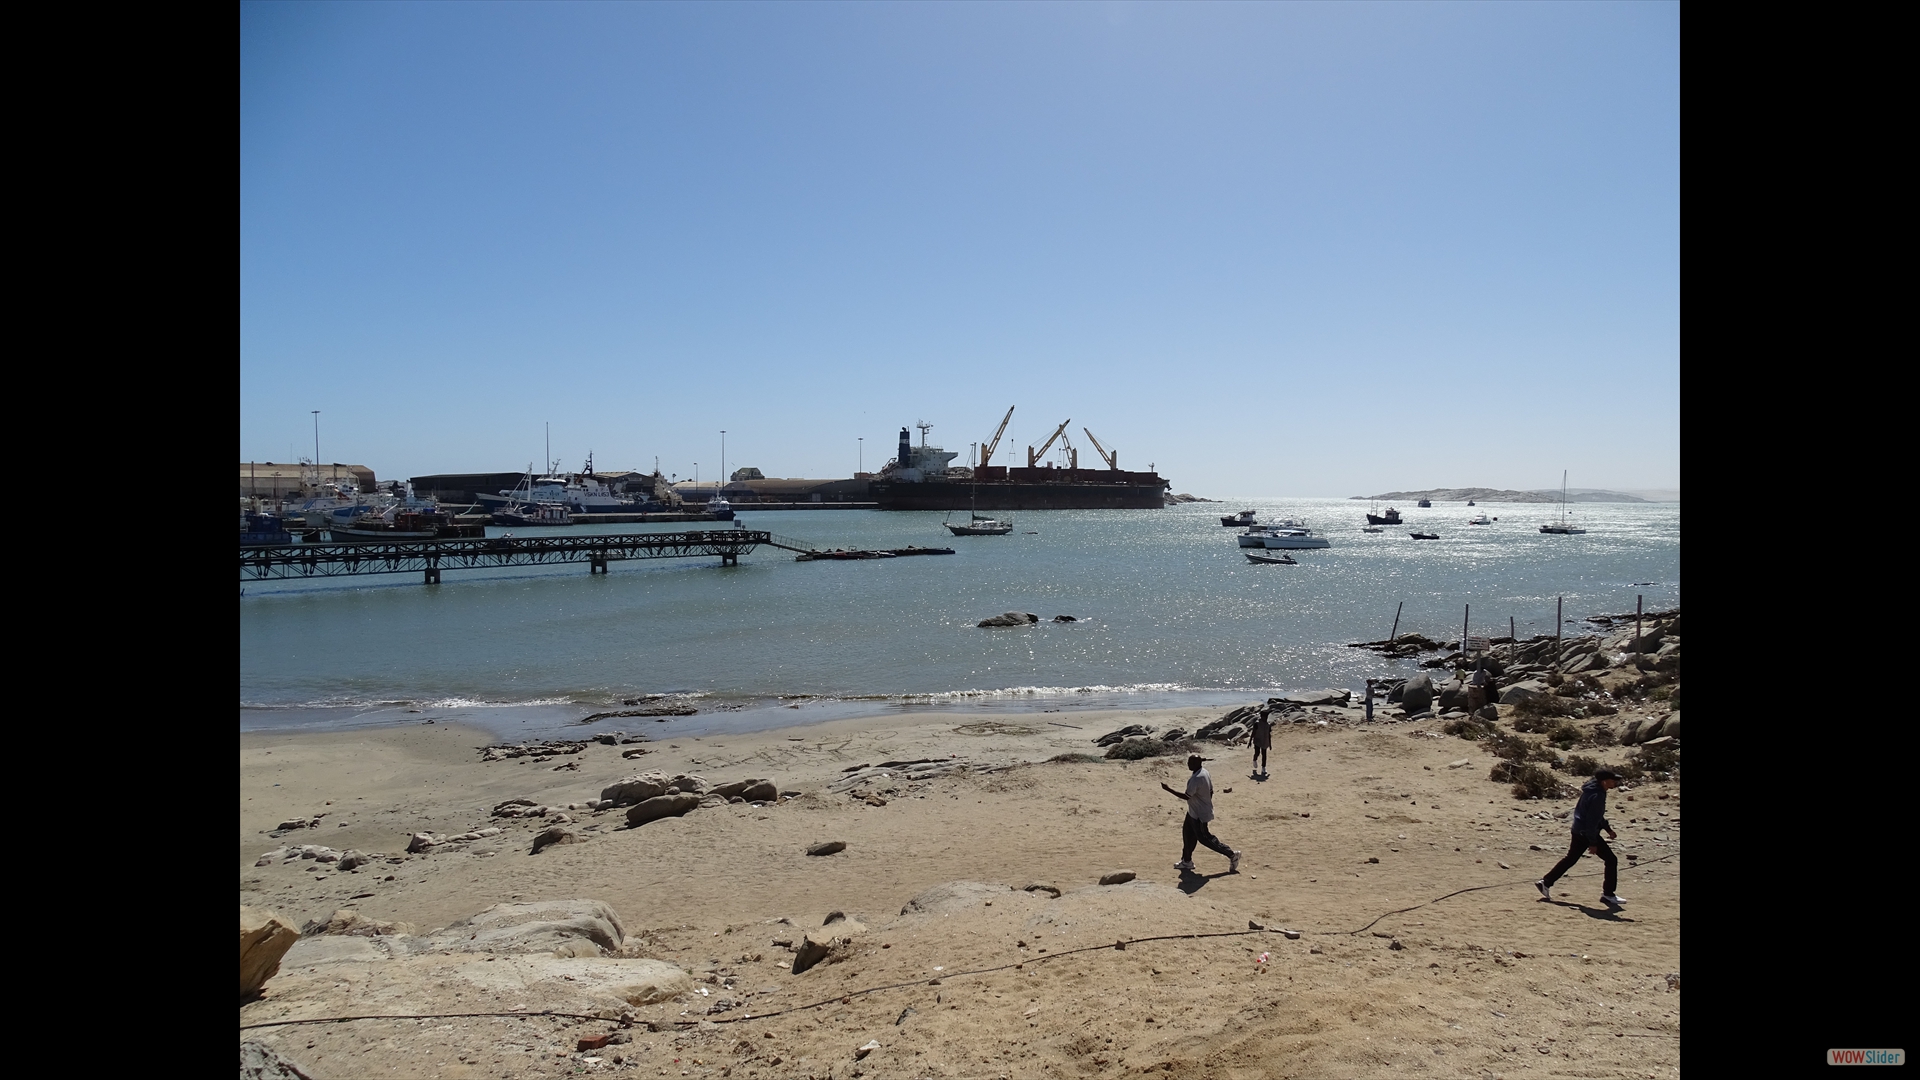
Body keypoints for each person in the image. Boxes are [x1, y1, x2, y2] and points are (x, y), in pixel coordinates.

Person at [1536, 769, 1625, 908]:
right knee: (1611, 860)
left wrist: (1607, 829)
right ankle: (1608, 894)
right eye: (1613, 780)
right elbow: (1591, 820)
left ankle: (1545, 882)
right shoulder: (1597, 795)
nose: (1615, 782)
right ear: (1604, 781)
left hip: (1578, 830)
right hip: (1585, 832)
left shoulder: (1592, 791)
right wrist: (1593, 842)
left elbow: (1596, 816)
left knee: (1570, 859)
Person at [1161, 754, 1242, 873]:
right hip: (1192, 812)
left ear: (1197, 764)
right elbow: (1211, 791)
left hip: (1199, 815)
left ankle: (1232, 854)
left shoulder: (1196, 779)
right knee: (1187, 836)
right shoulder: (1205, 772)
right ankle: (1186, 861)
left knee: (1205, 838)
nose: (1188, 764)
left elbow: (1186, 796)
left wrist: (1168, 789)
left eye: (1190, 762)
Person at [1248, 710, 1273, 778]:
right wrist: (1250, 741)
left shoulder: (1268, 725)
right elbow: (1253, 733)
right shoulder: (1257, 723)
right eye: (1265, 717)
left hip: (1265, 741)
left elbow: (1269, 735)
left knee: (1264, 755)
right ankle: (1254, 759)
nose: (1266, 718)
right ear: (1262, 717)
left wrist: (1270, 744)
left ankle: (1263, 767)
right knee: (1257, 753)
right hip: (1257, 741)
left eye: (1267, 717)